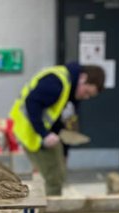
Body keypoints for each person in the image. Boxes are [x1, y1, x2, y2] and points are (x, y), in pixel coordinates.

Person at [9, 63, 104, 195]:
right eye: (86, 92)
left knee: (59, 173)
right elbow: (31, 102)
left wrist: (65, 153)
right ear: (83, 78)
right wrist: (44, 134)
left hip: (42, 132)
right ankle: (50, 206)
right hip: (28, 131)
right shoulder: (56, 83)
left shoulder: (71, 92)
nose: (85, 97)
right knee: (54, 178)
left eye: (89, 96)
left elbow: (65, 124)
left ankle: (51, 201)